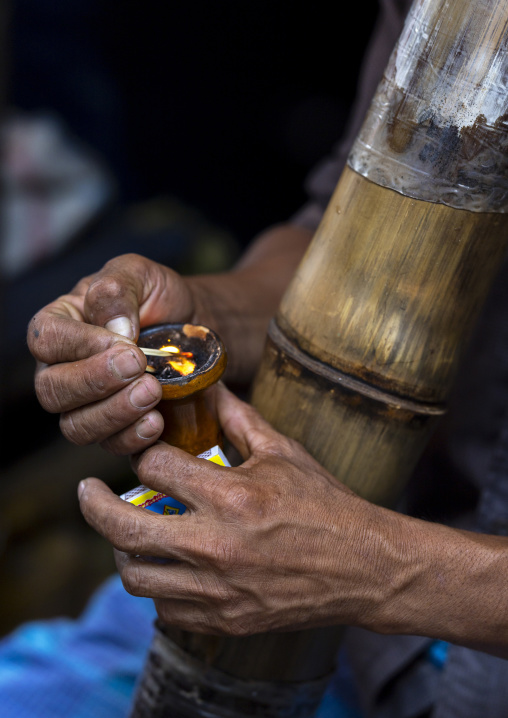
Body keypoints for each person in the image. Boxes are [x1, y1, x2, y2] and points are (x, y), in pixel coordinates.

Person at [25, 0, 508, 716]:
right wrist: (209, 314)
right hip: (313, 548)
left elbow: (372, 567)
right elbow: (353, 229)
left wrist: (384, 568)